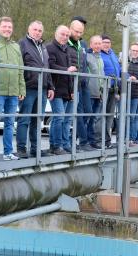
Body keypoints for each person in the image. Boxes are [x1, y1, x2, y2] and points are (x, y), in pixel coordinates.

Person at [16, 20, 55, 159]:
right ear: (29, 29)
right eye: (35, 30)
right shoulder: (22, 44)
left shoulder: (43, 46)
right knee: (24, 119)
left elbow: (46, 67)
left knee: (37, 120)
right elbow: (19, 66)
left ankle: (35, 149)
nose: (37, 32)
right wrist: (20, 86)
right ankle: (21, 149)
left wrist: (50, 86)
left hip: (42, 89)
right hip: (28, 87)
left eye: (40, 30)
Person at [0, 17, 25, 161]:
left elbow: (20, 69)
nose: (7, 29)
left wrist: (21, 89)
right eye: (4, 26)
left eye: (9, 27)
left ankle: (8, 152)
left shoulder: (16, 46)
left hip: (13, 92)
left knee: (10, 123)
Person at [46, 25, 77, 155]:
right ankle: (56, 146)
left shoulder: (67, 50)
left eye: (67, 35)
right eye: (62, 34)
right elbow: (50, 65)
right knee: (59, 117)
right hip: (55, 88)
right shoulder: (50, 48)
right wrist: (66, 70)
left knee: (61, 119)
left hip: (66, 90)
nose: (64, 37)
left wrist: (71, 90)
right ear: (56, 34)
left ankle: (57, 145)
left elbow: (70, 74)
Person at [68, 18, 91, 150]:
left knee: (88, 111)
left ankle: (74, 138)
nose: (78, 34)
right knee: (78, 113)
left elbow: (84, 62)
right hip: (73, 83)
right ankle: (82, 141)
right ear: (70, 29)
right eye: (76, 31)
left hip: (83, 82)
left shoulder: (83, 44)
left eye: (81, 32)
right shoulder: (66, 42)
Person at [84, 35, 106, 150]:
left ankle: (91, 141)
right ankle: (83, 141)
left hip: (98, 93)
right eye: (95, 43)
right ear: (91, 44)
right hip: (89, 92)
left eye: (99, 43)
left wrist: (102, 91)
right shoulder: (87, 56)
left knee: (93, 119)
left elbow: (101, 76)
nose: (98, 46)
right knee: (86, 118)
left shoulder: (100, 58)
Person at [99, 35, 120, 148]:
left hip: (114, 89)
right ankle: (99, 140)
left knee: (110, 116)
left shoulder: (113, 54)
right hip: (104, 89)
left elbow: (119, 70)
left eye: (108, 42)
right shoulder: (98, 54)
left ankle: (107, 140)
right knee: (101, 115)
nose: (107, 44)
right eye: (104, 42)